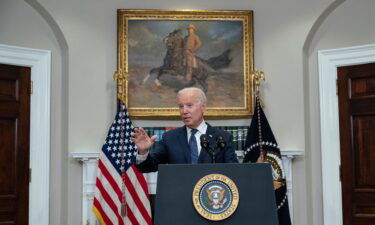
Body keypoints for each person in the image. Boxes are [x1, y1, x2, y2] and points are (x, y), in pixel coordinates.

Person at [131, 87, 238, 173]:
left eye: (189, 105)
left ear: (203, 107)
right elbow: (149, 167)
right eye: (181, 106)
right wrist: (143, 151)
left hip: (211, 197)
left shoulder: (222, 137)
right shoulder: (170, 138)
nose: (184, 111)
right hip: (180, 196)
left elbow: (234, 171)